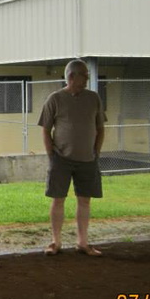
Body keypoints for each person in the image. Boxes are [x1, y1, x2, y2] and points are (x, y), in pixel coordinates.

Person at [38, 59, 106, 257]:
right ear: (71, 76)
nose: (87, 78)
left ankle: (82, 243)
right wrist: (52, 154)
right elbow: (45, 129)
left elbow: (101, 128)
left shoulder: (93, 98)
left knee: (85, 201)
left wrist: (96, 152)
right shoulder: (55, 99)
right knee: (58, 200)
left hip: (88, 159)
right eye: (84, 75)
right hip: (61, 159)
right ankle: (56, 242)